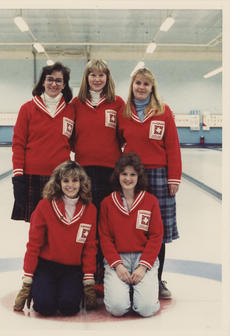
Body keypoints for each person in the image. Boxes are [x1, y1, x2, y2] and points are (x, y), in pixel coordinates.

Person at [118, 67, 182, 299]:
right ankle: (131, 277)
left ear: (152, 87)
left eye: (146, 83)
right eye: (138, 83)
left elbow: (173, 146)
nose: (142, 87)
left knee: (158, 231)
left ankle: (156, 279)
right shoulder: (123, 113)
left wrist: (173, 177)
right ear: (132, 85)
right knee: (133, 228)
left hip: (159, 176)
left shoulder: (164, 112)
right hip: (132, 178)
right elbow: (116, 143)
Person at [13, 160, 97, 316]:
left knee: (69, 307)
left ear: (81, 182)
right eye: (65, 180)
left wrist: (88, 282)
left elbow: (90, 247)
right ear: (58, 183)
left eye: (75, 180)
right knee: (44, 307)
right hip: (47, 267)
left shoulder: (90, 210)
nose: (70, 185)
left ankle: (65, 290)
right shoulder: (45, 206)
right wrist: (27, 281)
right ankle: (39, 289)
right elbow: (34, 245)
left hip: (72, 269)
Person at [69, 59, 125, 287]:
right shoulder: (76, 104)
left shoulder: (117, 103)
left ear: (107, 78)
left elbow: (123, 136)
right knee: (85, 222)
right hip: (84, 173)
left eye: (101, 75)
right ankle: (85, 269)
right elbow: (70, 138)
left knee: (106, 223)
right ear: (86, 78)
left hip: (110, 173)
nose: (97, 79)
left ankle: (104, 269)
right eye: (92, 75)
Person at [99, 153, 163, 317]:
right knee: (117, 308)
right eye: (124, 174)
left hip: (143, 260)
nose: (128, 179)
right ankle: (126, 291)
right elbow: (105, 237)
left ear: (139, 177)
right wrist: (118, 266)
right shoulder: (107, 203)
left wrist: (143, 267)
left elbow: (156, 236)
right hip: (118, 260)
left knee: (146, 309)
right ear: (118, 175)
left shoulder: (150, 201)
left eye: (132, 174)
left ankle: (140, 292)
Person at [11, 62, 74, 222]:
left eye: (59, 80)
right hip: (33, 175)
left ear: (64, 84)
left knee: (59, 224)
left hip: (60, 177)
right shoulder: (27, 108)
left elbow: (75, 142)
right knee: (36, 225)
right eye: (50, 79)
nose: (54, 84)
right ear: (43, 82)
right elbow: (18, 144)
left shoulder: (71, 110)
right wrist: (18, 175)